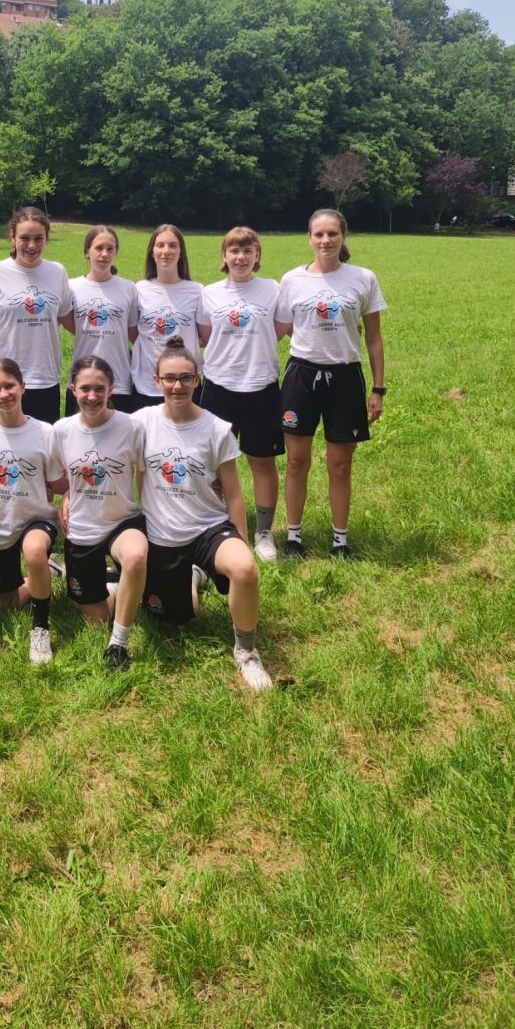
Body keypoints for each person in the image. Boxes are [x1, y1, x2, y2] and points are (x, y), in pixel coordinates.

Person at [135, 337, 273, 691]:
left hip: (208, 528)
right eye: (169, 378)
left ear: (198, 380)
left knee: (244, 569)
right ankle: (192, 579)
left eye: (185, 378)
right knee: (178, 619)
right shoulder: (141, 423)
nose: (177, 386)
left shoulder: (217, 428)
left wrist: (242, 543)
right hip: (163, 535)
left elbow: (234, 493)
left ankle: (246, 651)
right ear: (156, 381)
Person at [275, 209, 387, 559]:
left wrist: (379, 389)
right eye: (319, 234)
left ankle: (340, 540)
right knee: (296, 461)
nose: (325, 240)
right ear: (309, 237)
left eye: (332, 234)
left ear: (343, 236)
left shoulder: (363, 278)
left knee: (340, 465)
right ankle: (293, 537)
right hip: (301, 377)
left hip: (345, 378)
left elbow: (374, 337)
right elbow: (282, 327)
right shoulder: (291, 280)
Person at [51, 356, 148, 669]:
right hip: (83, 528)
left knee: (135, 556)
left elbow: (146, 472)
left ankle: (118, 645)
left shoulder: (132, 427)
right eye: (85, 389)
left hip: (123, 521)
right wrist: (68, 494)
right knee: (97, 620)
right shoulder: (62, 430)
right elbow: (59, 477)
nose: (92, 396)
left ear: (111, 390)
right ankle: (115, 583)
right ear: (72, 390)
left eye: (99, 388)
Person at [197, 227, 283, 562]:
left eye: (248, 251)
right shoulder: (209, 294)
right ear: (224, 255)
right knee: (213, 463)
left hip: (261, 386)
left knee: (262, 461)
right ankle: (215, 525)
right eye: (234, 251)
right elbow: (206, 336)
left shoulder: (273, 289)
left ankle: (263, 532)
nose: (241, 257)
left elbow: (281, 328)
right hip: (219, 386)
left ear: (257, 255)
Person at [0, 359, 64, 665]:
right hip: (0, 524)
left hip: (38, 518)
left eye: (10, 385)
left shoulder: (45, 432)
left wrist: (71, 491)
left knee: (34, 550)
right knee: (6, 603)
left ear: (23, 387)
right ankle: (48, 572)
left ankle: (40, 629)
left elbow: (57, 480)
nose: (4, 394)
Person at [0, 206, 73, 424]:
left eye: (39, 238)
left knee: (43, 441)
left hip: (44, 375)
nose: (32, 245)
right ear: (12, 237)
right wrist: (3, 326)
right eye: (24, 238)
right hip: (4, 378)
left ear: (47, 239)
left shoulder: (57, 272)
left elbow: (62, 314)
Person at [63, 224, 139, 415]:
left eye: (110, 249)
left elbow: (132, 332)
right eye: (98, 248)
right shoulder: (71, 287)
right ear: (87, 251)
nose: (104, 254)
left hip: (118, 381)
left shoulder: (129, 288)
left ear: (116, 252)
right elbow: (73, 325)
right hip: (82, 381)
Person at [130, 223, 204, 410]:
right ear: (152, 252)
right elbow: (133, 333)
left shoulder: (197, 291)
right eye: (160, 245)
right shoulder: (138, 289)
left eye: (172, 245)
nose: (166, 251)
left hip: (185, 383)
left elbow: (204, 336)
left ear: (181, 253)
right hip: (147, 384)